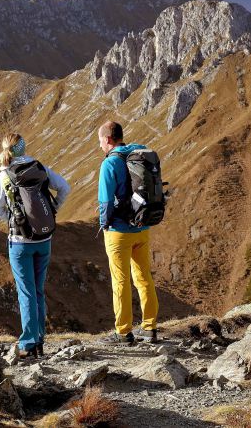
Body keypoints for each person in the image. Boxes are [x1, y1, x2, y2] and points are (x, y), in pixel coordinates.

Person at [0, 133, 70, 358]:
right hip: (44, 239)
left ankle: (29, 343)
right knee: (38, 290)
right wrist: (53, 210)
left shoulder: (3, 175)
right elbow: (65, 188)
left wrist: (15, 218)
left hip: (19, 241)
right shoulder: (39, 166)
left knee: (26, 292)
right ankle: (40, 340)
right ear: (24, 148)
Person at [96, 120, 160, 344]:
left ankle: (123, 332)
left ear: (107, 140)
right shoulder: (138, 152)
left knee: (120, 280)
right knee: (143, 277)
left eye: (101, 142)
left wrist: (104, 224)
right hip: (142, 227)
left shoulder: (109, 163)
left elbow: (105, 201)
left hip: (118, 231)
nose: (100, 146)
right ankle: (150, 327)